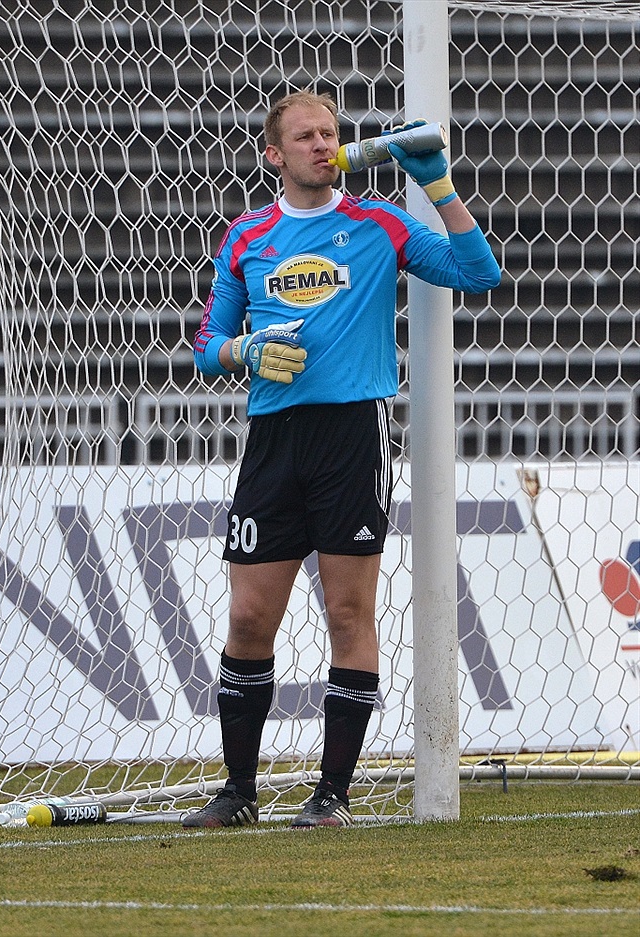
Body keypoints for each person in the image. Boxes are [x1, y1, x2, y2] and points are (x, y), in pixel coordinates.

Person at [187, 90, 500, 829]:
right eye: (305, 136)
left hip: (354, 435)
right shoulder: (247, 236)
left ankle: (332, 795)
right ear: (274, 153)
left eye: (330, 133)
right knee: (248, 616)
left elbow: (477, 271)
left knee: (348, 611)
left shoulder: (378, 223)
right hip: (274, 439)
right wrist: (244, 350)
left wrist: (437, 184)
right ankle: (238, 793)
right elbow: (206, 347)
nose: (322, 144)